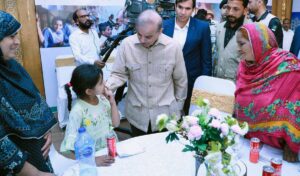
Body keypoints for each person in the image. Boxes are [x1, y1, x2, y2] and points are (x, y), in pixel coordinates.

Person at [106, 10, 188, 137]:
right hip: (137, 115)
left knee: (163, 153)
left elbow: (181, 81)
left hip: (166, 115)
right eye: (139, 35)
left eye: (148, 36)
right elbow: (118, 74)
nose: (142, 40)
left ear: (160, 31)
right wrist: (106, 88)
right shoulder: (127, 45)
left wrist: (178, 109)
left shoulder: (173, 47)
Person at [0, 11, 57, 175]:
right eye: (10, 36)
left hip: (36, 155)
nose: (17, 42)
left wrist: (45, 130)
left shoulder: (12, 67)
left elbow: (34, 99)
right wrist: (34, 173)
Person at [235, 23, 300, 162]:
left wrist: (292, 144)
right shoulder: (244, 67)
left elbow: (296, 105)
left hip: (279, 151)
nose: (238, 49)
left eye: (241, 44)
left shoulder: (287, 66)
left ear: (257, 42)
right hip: (247, 142)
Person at [60, 64, 120, 166]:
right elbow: (70, 145)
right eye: (101, 83)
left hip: (110, 150)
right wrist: (92, 160)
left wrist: (112, 102)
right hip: (92, 158)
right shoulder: (78, 111)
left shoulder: (103, 100)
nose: (105, 84)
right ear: (89, 91)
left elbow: (116, 123)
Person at [163, 0, 212, 115]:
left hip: (192, 81)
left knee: (190, 118)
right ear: (175, 6)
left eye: (187, 8)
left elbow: (206, 60)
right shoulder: (164, 25)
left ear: (193, 9)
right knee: (167, 117)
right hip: (167, 82)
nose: (183, 12)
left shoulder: (202, 27)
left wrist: (204, 86)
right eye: (180, 7)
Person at [215, 0, 251, 81]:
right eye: (228, 8)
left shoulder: (252, 31)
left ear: (245, 10)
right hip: (218, 83)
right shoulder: (219, 28)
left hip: (239, 86)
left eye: (235, 9)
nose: (230, 13)